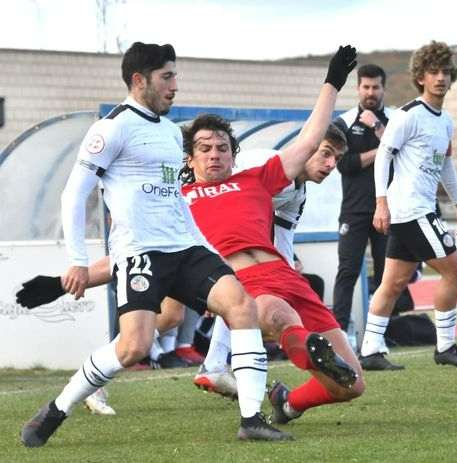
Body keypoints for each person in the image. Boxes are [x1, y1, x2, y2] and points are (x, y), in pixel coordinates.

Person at [19, 42, 295, 447]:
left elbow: (176, 201)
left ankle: (251, 419)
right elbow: (73, 194)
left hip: (185, 248)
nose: (175, 85)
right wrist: (77, 261)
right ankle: (58, 408)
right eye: (167, 76)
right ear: (139, 80)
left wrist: (208, 251)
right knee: (134, 347)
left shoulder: (169, 133)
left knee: (242, 306)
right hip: (140, 254)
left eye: (175, 76)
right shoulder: (111, 129)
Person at [190, 122, 367, 427]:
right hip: (229, 268)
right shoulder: (256, 168)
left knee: (353, 384)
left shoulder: (297, 192)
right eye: (325, 153)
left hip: (274, 273)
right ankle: (215, 363)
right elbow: (216, 213)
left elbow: (281, 240)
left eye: (336, 159)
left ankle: (286, 403)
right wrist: (209, 281)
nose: (330, 165)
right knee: (165, 319)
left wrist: (289, 275)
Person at [359, 40, 457, 370]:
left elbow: (445, 164)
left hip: (417, 209)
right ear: (420, 77)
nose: (440, 78)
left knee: (393, 283)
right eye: (433, 72)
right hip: (411, 210)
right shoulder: (408, 115)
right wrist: (381, 203)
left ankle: (370, 351)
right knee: (455, 270)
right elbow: (384, 155)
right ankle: (446, 347)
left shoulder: (446, 121)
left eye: (445, 72)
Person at [331, 64, 392, 333]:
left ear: (383, 89)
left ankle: (382, 334)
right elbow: (344, 164)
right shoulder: (344, 122)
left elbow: (401, 155)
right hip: (354, 211)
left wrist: (378, 127)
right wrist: (381, 151)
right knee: (347, 272)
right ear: (358, 88)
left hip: (386, 210)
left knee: (386, 275)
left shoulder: (395, 120)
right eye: (366, 87)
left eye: (375, 87)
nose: (370, 92)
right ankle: (340, 334)